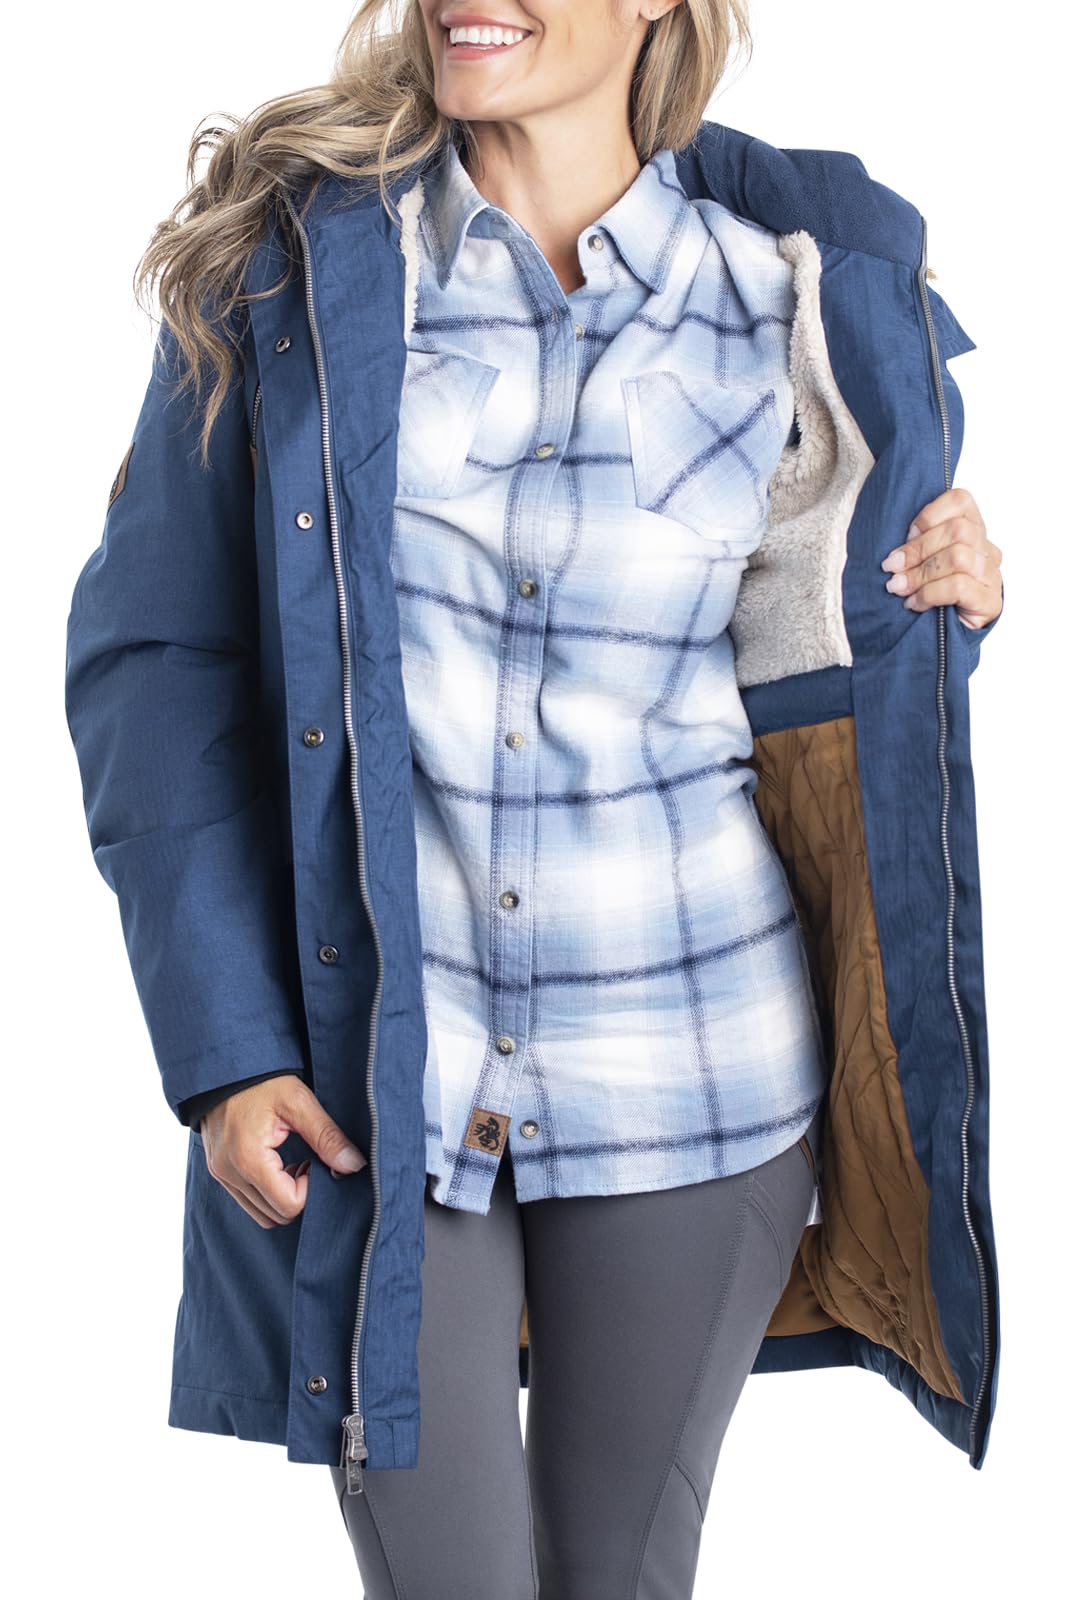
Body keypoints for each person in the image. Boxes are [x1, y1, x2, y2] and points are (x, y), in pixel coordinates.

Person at [64, 3, 1004, 1597]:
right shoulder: (292, 275)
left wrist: (946, 610)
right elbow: (159, 663)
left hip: (694, 1064)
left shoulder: (788, 293)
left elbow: (825, 675)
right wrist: (228, 1052)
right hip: (380, 1080)